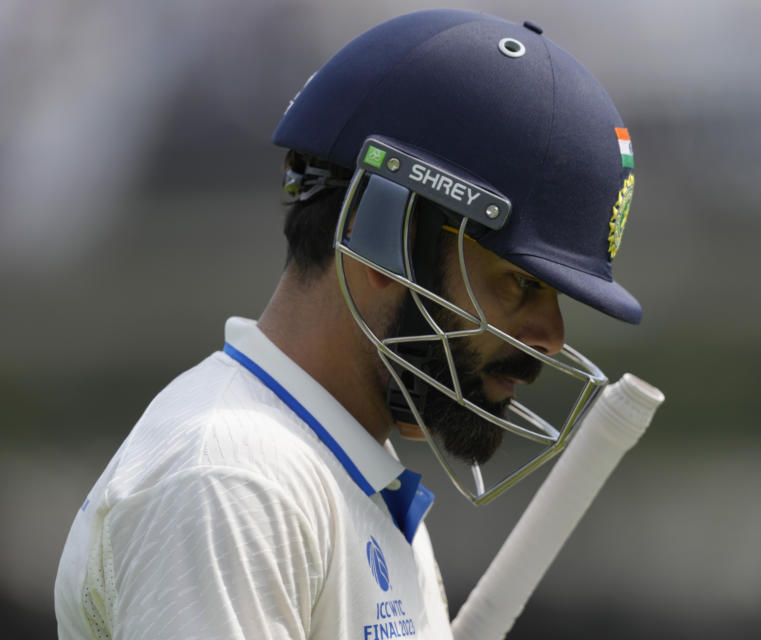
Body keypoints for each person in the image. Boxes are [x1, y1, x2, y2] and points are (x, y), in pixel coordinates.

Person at [54, 9, 643, 639]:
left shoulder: (339, 474)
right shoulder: (235, 482)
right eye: (523, 284)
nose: (552, 337)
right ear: (383, 239)